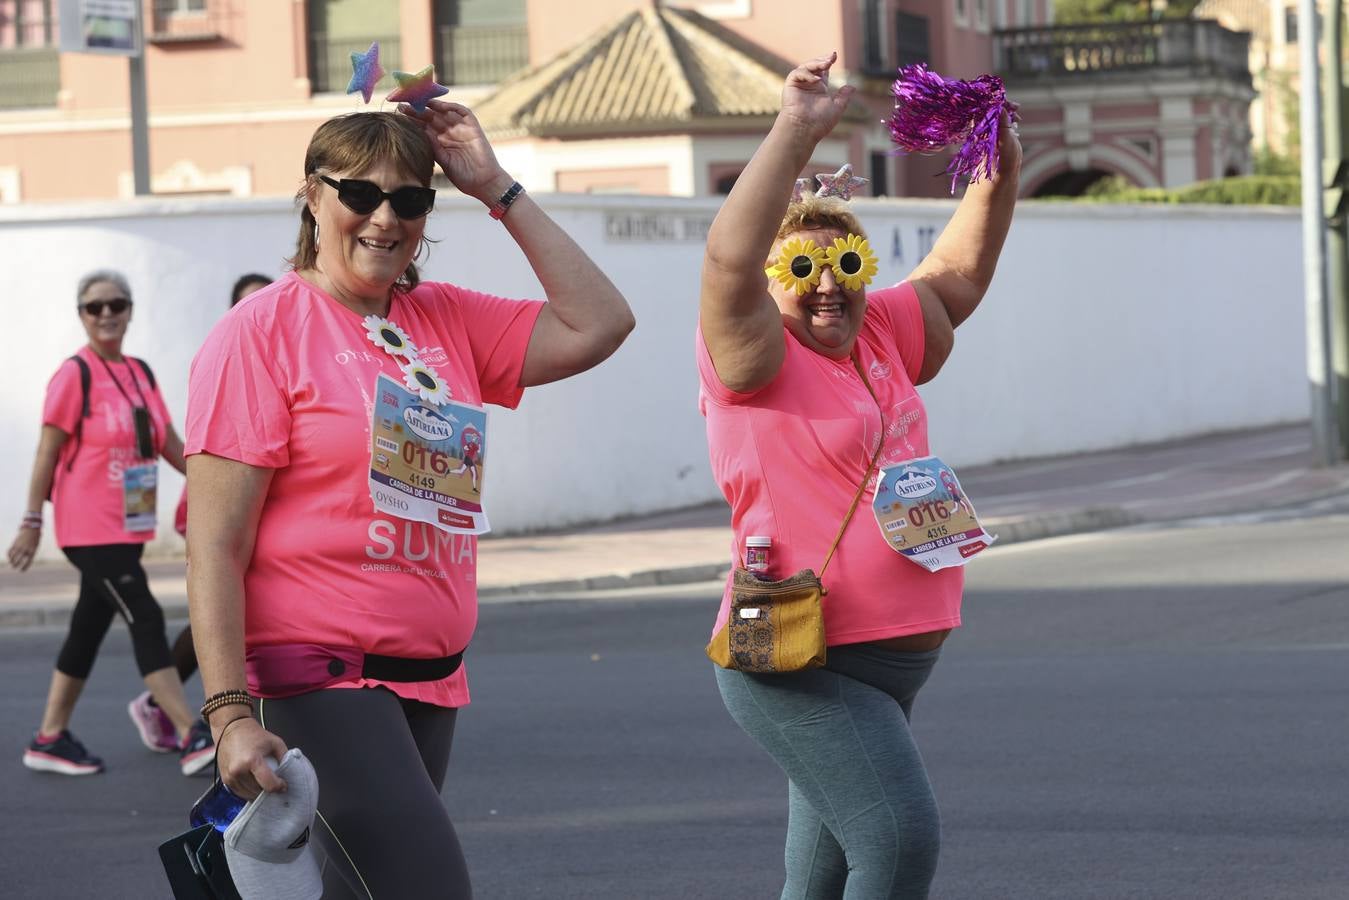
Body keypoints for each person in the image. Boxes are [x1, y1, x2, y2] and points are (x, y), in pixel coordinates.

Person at [185, 104, 633, 897]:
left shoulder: (445, 317)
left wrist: (496, 186)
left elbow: (601, 322)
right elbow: (215, 543)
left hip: (431, 676)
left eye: (410, 200)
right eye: (359, 194)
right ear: (312, 196)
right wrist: (228, 716)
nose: (384, 218)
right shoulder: (259, 333)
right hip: (321, 677)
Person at [696, 53, 1019, 898]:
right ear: (772, 285)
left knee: (820, 875)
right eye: (800, 271)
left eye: (845, 266)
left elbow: (958, 274)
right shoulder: (752, 355)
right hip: (802, 659)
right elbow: (728, 265)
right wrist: (794, 128)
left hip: (889, 657)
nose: (827, 287)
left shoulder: (882, 334)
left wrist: (994, 153)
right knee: (898, 842)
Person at [8, 270, 217, 777]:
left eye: (116, 304)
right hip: (88, 528)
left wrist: (216, 478)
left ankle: (49, 737)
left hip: (128, 525)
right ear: (81, 315)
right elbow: (46, 450)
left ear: (129, 310)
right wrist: (33, 519)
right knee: (143, 615)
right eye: (95, 307)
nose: (107, 314)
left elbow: (166, 439)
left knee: (87, 627)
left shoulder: (138, 371)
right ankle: (190, 731)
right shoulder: (73, 375)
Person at [133, 273, 276, 754]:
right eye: (246, 303)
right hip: (220, 505)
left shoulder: (289, 356)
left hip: (263, 512)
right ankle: (211, 716)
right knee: (219, 608)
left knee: (234, 612)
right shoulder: (229, 358)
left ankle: (164, 703)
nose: (259, 311)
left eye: (265, 300)